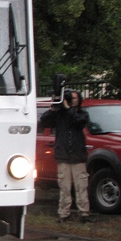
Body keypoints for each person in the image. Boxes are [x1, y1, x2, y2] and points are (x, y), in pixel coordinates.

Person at [39, 89, 92, 223]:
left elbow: (79, 122)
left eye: (73, 98)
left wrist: (68, 109)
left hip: (78, 156)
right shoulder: (59, 115)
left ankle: (84, 213)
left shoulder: (82, 114)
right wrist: (53, 108)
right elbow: (45, 122)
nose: (71, 100)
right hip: (63, 156)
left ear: (79, 100)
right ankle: (64, 214)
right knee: (65, 187)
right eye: (69, 98)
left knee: (81, 186)